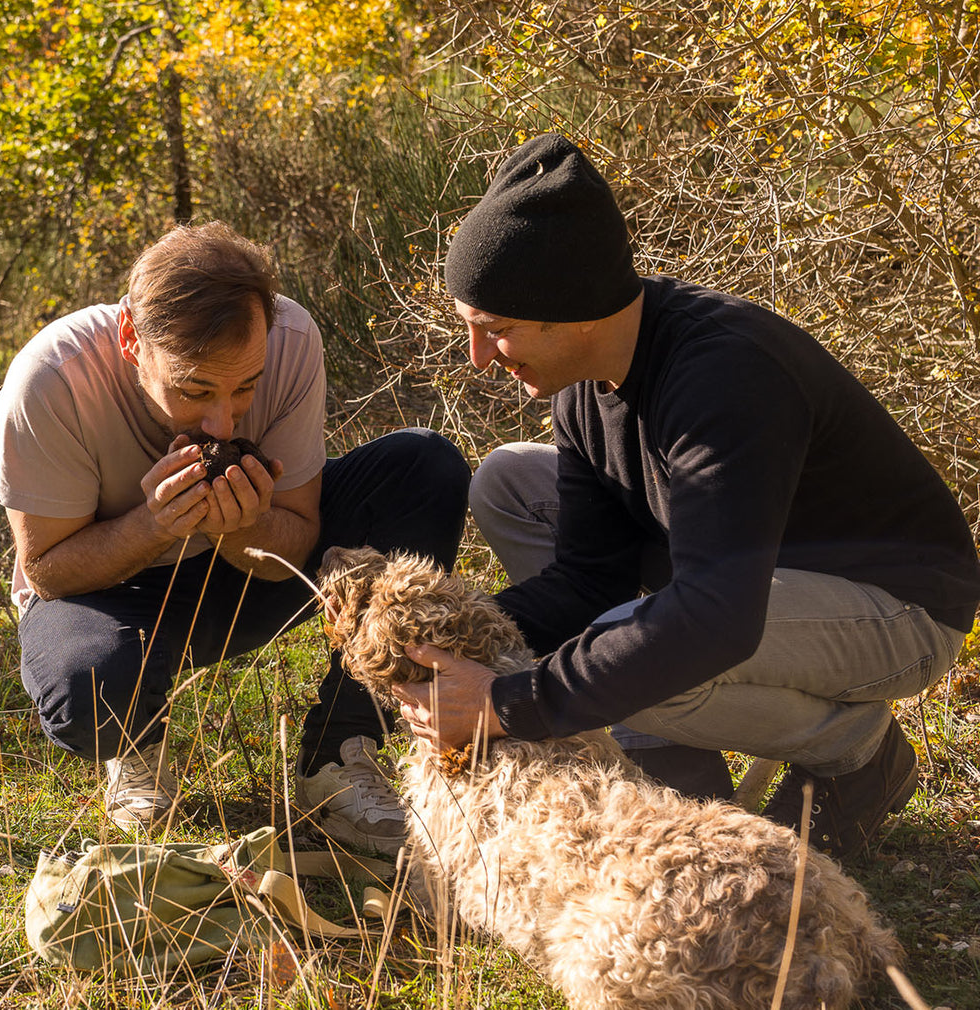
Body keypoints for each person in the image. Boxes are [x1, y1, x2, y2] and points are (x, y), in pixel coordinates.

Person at [393, 133, 980, 859]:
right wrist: (448, 649)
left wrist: (508, 700)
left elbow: (713, 620)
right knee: (508, 480)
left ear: (574, 309)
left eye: (497, 330)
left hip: (897, 608)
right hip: (745, 587)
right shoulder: (585, 387)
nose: (480, 359)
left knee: (641, 661)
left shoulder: (723, 378)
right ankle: (680, 770)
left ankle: (859, 751)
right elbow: (589, 577)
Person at [0, 221, 470, 854]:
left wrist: (239, 525)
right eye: (194, 390)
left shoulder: (292, 339)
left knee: (424, 468)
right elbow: (48, 571)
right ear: (133, 341)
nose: (222, 421)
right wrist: (154, 523)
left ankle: (342, 748)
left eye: (245, 386)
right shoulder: (51, 380)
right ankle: (135, 741)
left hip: (242, 571)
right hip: (109, 591)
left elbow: (296, 541)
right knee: (88, 690)